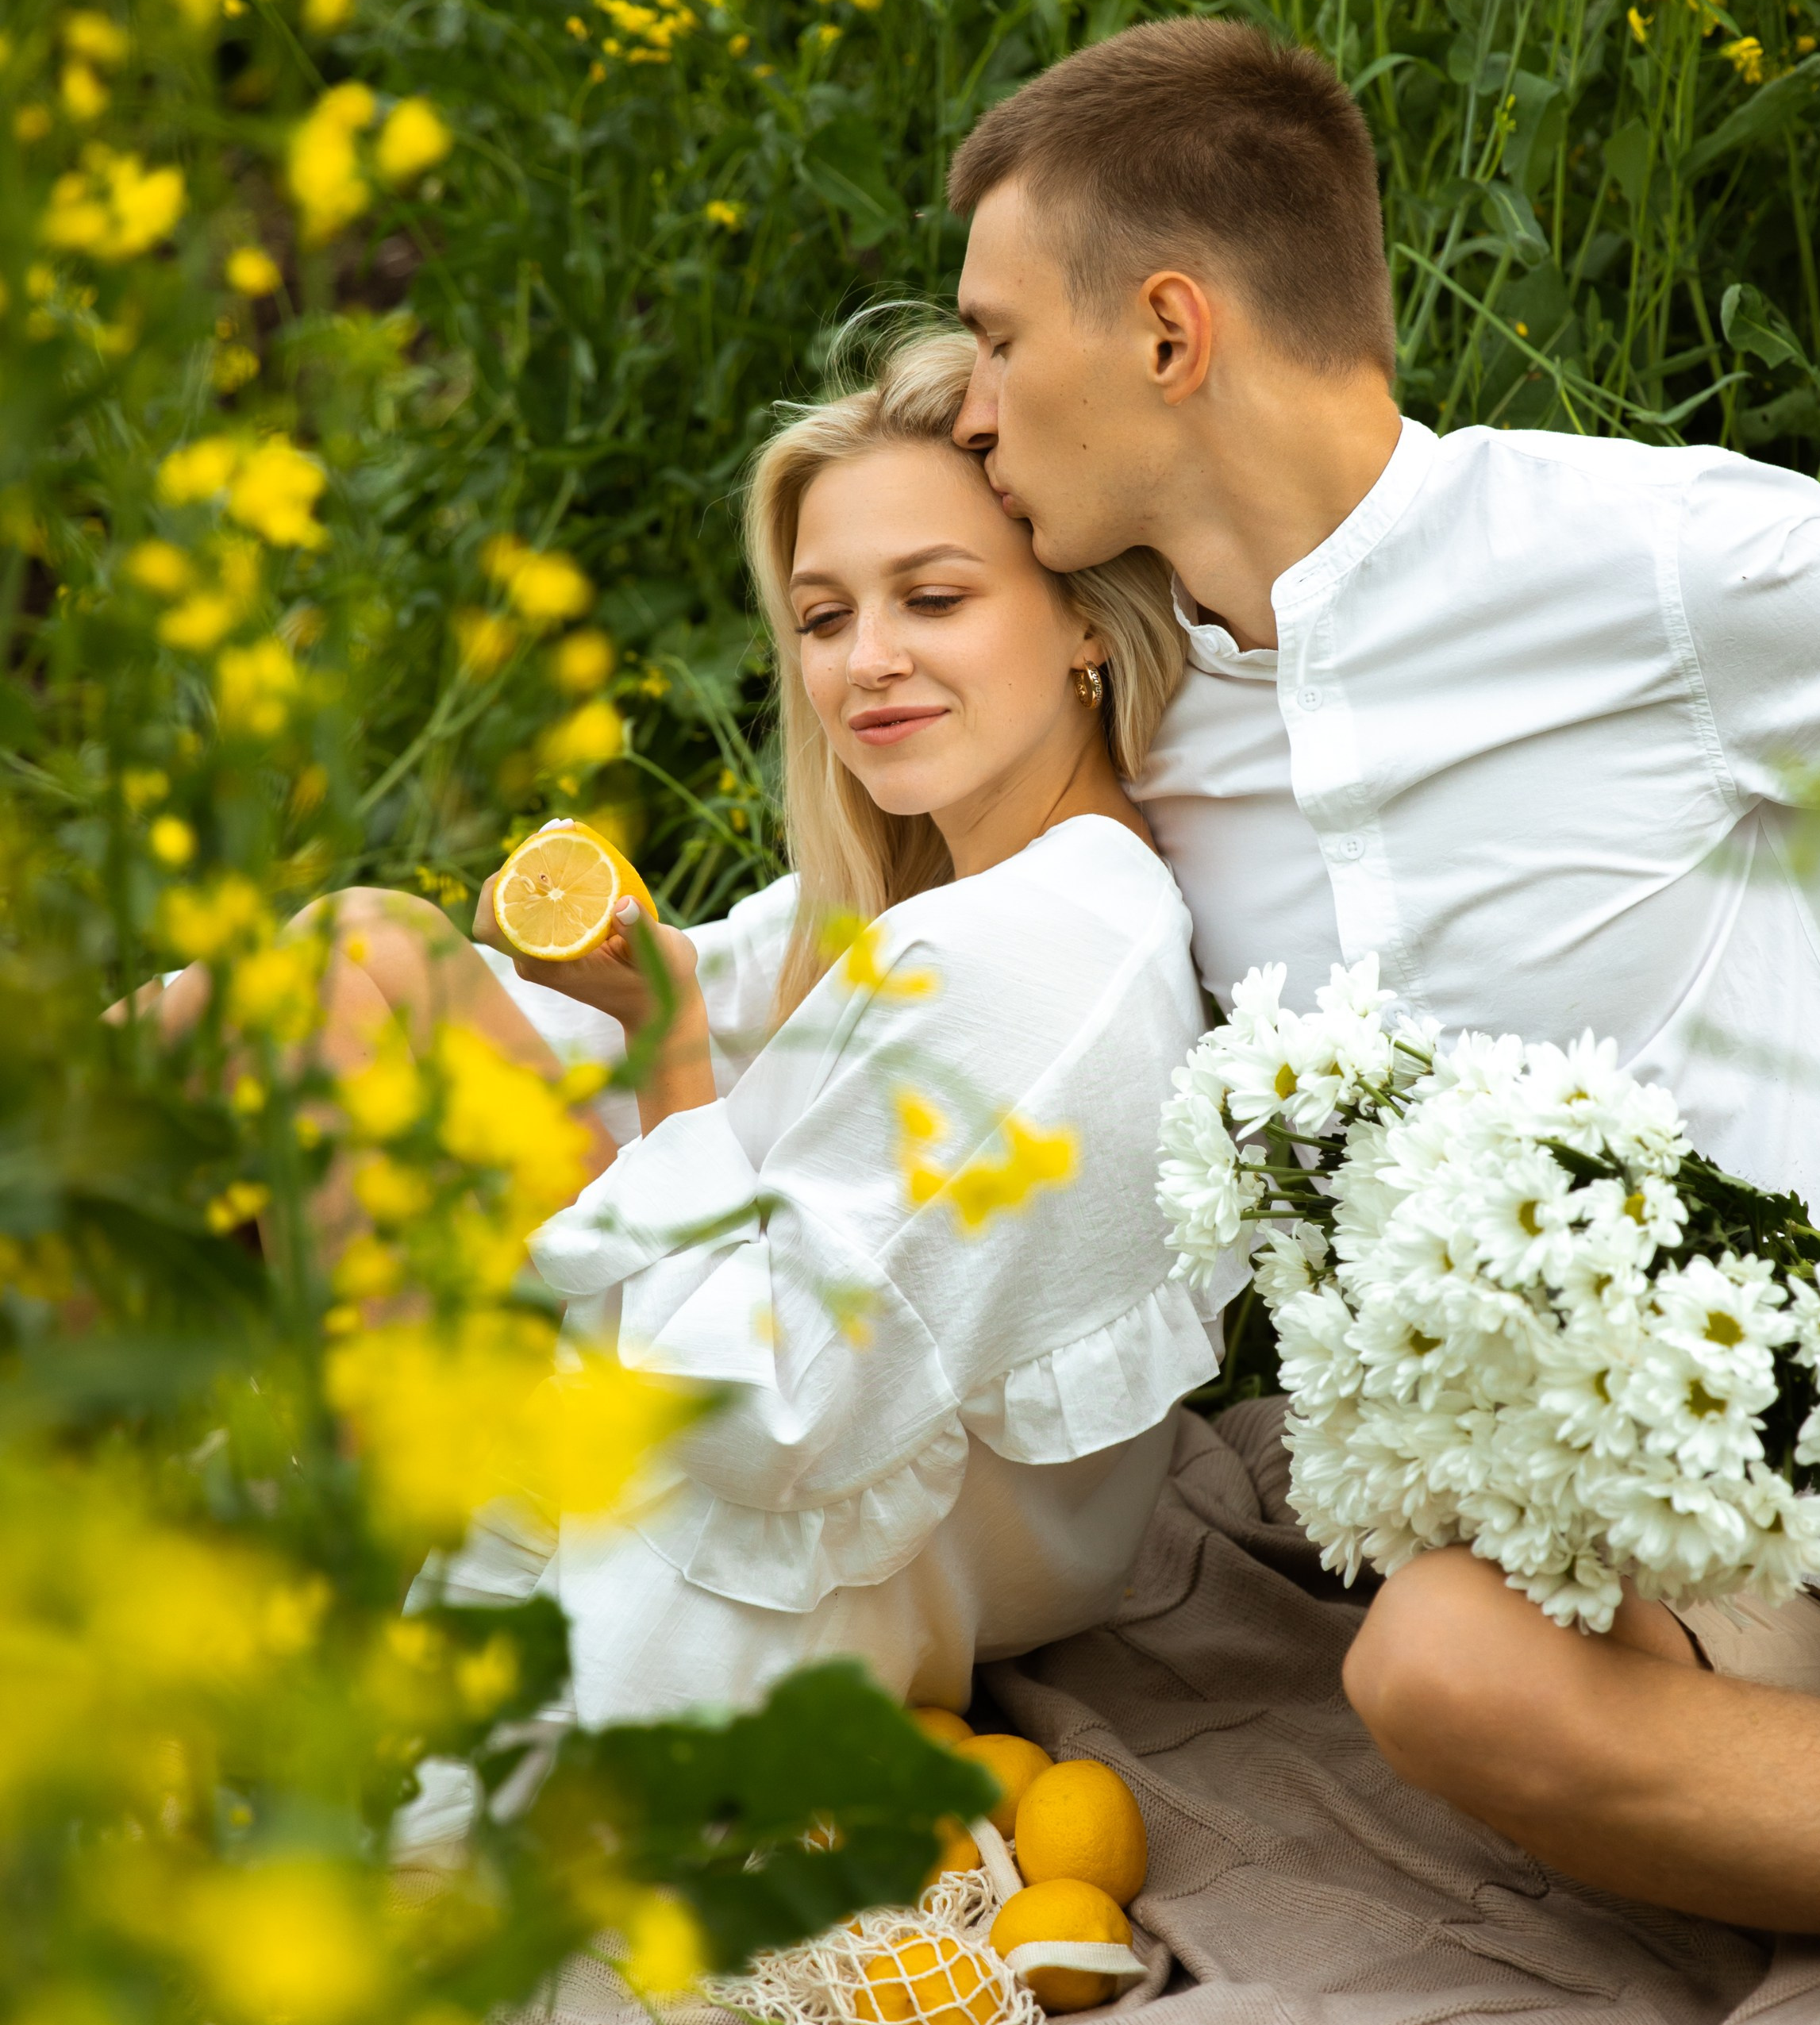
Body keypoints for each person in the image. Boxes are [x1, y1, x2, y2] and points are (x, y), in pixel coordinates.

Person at [943, 14, 1820, 1937]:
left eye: (996, 335)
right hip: (1659, 1536)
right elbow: (863, 950)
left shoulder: (1656, 563)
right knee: (1433, 1669)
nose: (968, 407)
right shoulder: (1140, 737)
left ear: (1168, 333)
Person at [155, 325, 1229, 1730]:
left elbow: (762, 1410)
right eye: (826, 619)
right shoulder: (958, 884)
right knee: (355, 957)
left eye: (935, 598)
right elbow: (708, 997)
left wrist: (660, 1056)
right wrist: (562, 990)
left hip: (789, 1536)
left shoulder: (1017, 951)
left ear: (1083, 616)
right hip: (795, 1414)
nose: (868, 665)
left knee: (302, 1009)